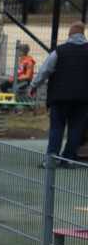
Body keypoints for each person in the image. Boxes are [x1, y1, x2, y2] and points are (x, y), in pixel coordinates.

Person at [30, 22, 88, 166]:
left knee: (57, 127)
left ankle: (52, 158)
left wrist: (33, 86)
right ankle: (69, 159)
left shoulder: (60, 51)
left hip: (59, 97)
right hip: (83, 98)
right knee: (76, 127)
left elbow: (45, 70)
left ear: (69, 35)